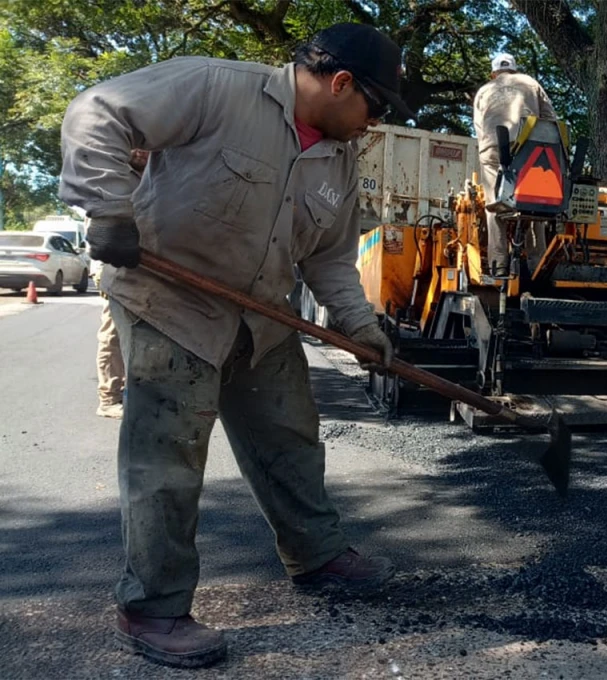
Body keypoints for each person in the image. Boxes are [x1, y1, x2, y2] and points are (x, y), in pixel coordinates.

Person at [59, 23, 411, 668]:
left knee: (291, 438)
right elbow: (96, 112)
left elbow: (330, 259)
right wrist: (109, 209)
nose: (373, 123)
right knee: (167, 462)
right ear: (339, 84)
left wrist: (359, 325)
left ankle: (316, 554)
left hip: (263, 318)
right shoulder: (215, 89)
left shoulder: (338, 158)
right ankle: (152, 609)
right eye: (375, 106)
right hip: (173, 306)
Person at [471, 52, 557, 275]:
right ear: (515, 69)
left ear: (494, 73)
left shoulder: (484, 91)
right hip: (527, 148)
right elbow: (551, 119)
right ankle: (537, 263)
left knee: (494, 206)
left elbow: (479, 127)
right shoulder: (530, 83)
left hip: (493, 150)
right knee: (536, 204)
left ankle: (498, 265)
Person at [94, 149, 149, 419]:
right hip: (115, 268)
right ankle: (108, 398)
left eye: (146, 144)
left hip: (147, 271)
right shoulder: (112, 180)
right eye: (135, 145)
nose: (141, 151)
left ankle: (135, 393)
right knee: (113, 334)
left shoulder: (154, 178)